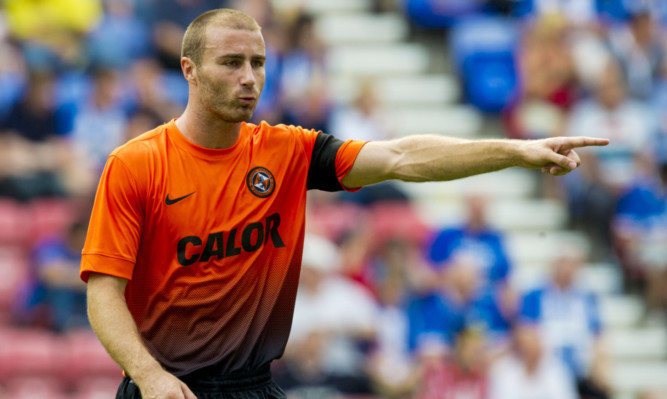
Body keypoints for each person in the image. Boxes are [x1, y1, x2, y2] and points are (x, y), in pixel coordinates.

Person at [80, 8, 609, 399]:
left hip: (256, 387)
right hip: (166, 389)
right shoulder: (137, 164)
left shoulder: (288, 150)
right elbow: (104, 294)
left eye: (259, 62)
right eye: (232, 62)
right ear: (189, 70)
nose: (249, 77)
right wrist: (149, 376)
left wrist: (514, 150)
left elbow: (402, 156)